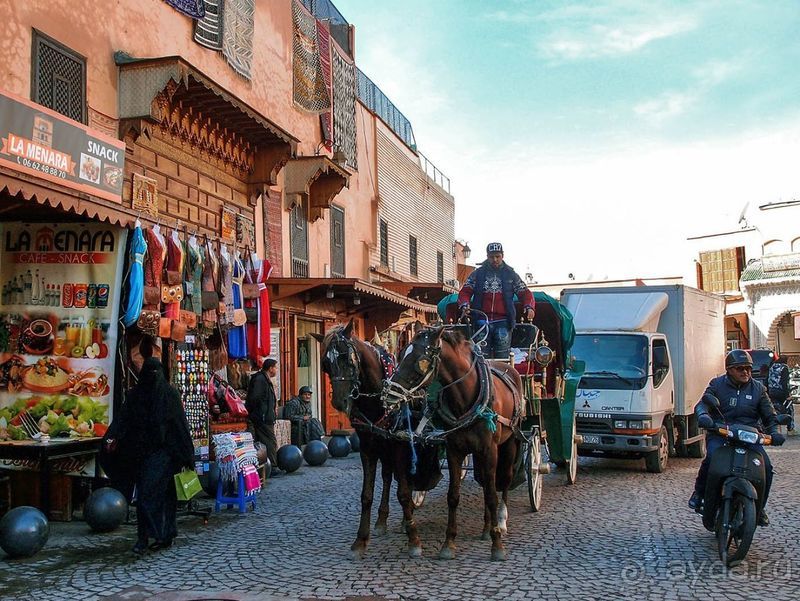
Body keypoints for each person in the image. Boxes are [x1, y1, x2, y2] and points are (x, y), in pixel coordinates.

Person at [688, 350, 785, 526]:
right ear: (729, 370)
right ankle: (699, 493)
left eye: (748, 368)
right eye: (740, 368)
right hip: (721, 434)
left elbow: (769, 415)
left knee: (767, 468)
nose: (745, 372)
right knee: (711, 458)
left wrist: (775, 431)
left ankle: (759, 508)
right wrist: (704, 416)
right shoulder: (717, 385)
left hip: (750, 437)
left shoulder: (758, 389)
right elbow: (702, 404)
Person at [122, 357, 194, 554]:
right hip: (143, 453)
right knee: (146, 496)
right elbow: (126, 422)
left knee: (163, 496)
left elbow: (179, 425)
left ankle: (162, 534)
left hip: (165, 454)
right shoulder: (136, 396)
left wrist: (186, 455)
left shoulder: (169, 395)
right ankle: (148, 536)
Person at [457, 242, 534, 359]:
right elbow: (465, 292)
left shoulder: (511, 275)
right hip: (481, 320)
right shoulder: (477, 274)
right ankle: (483, 377)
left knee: (502, 359)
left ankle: (500, 376)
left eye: (497, 256)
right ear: (487, 256)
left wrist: (529, 306)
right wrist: (464, 305)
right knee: (481, 358)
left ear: (502, 256)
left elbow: (524, 293)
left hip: (503, 321)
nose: (495, 259)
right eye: (492, 256)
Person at [246, 358, 278, 472]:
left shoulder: (264, 378)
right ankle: (272, 467)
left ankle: (265, 467)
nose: (276, 370)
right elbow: (255, 398)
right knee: (270, 441)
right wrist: (262, 413)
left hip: (264, 416)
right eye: (275, 367)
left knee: (264, 442)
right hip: (262, 417)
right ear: (270, 368)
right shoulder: (260, 379)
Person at [767, 355, 794, 432]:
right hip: (781, 392)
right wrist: (787, 395)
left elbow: (767, 378)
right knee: (789, 408)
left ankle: (772, 427)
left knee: (774, 408)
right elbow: (784, 382)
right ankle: (790, 428)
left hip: (772, 391)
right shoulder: (784, 367)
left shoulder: (772, 366)